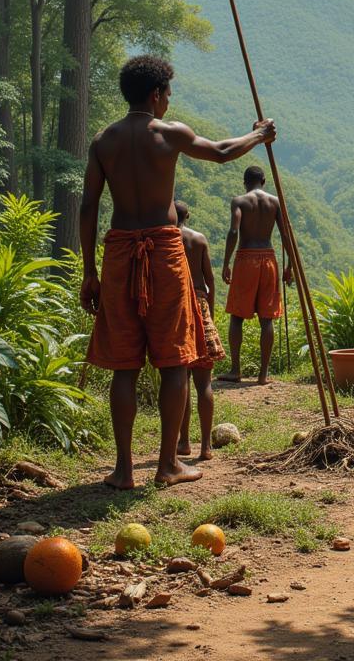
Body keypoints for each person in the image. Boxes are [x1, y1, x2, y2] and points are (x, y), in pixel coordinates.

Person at [79, 55, 276, 489]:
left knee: (124, 366)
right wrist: (259, 134)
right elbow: (223, 152)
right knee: (174, 360)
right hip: (164, 252)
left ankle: (124, 469)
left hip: (118, 253)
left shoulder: (103, 140)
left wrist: (89, 271)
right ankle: (168, 465)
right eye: (168, 93)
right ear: (156, 94)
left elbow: (89, 206)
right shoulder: (169, 134)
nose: (170, 101)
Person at [220, 165, 292, 385]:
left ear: (245, 182)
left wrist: (225, 263)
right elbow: (285, 232)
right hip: (268, 258)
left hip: (246, 258)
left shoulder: (239, 201)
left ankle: (235, 370)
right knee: (266, 318)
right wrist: (289, 265)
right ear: (263, 180)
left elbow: (234, 231)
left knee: (237, 317)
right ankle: (263, 374)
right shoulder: (274, 202)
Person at [173, 200, 223, 462]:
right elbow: (210, 279)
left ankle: (183, 442)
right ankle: (205, 447)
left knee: (180, 378)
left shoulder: (168, 239)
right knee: (203, 381)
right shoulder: (199, 239)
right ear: (188, 216)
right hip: (200, 305)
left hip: (178, 308)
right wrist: (209, 314)